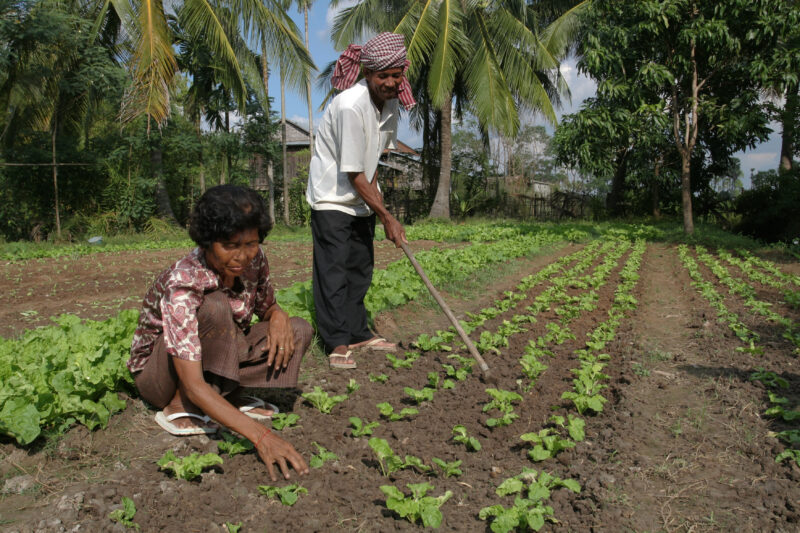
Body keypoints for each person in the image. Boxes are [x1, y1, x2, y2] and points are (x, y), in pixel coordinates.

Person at [128, 185, 311, 481]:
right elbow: (193, 383)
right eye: (229, 246)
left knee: (298, 329)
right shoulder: (185, 282)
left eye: (251, 243)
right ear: (207, 242)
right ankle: (180, 408)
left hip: (215, 357)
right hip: (163, 375)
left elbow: (267, 307)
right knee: (214, 305)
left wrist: (279, 315)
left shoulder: (254, 260)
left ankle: (226, 400)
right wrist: (262, 437)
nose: (242, 256)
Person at [306, 32, 414, 369]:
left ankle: (357, 332)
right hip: (333, 198)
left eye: (396, 76)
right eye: (383, 76)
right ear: (368, 73)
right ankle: (336, 341)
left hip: (362, 199)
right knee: (334, 271)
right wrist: (387, 217)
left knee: (360, 268)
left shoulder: (392, 104)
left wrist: (374, 204)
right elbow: (353, 173)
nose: (390, 83)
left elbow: (376, 159)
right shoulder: (351, 106)